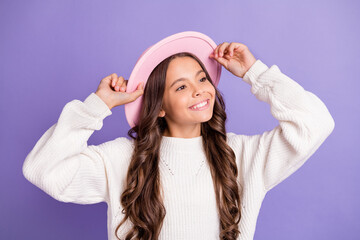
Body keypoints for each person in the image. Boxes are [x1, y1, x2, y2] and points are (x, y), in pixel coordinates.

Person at [22, 31, 335, 240]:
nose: (200, 89)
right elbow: (44, 170)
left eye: (202, 78)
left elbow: (316, 123)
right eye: (181, 86)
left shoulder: (242, 155)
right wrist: (96, 107)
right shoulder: (121, 159)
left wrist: (257, 73)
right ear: (159, 107)